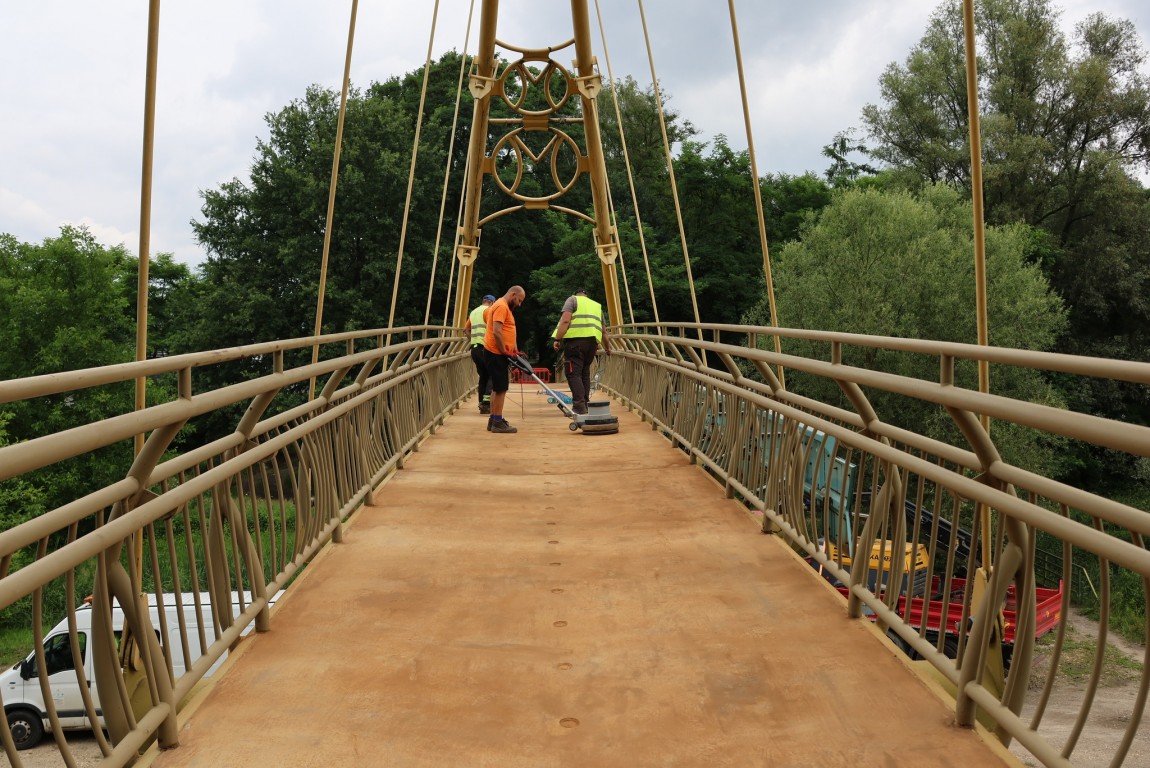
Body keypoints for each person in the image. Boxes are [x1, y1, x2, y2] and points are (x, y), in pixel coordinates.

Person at [551, 288, 610, 415]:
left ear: (576, 294)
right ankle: (585, 405)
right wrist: (607, 347)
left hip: (575, 344)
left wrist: (557, 339)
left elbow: (565, 320)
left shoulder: (572, 300)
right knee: (584, 374)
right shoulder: (596, 306)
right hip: (592, 345)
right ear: (586, 295)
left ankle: (579, 407)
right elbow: (604, 331)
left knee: (573, 374)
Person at [483, 285, 527, 433]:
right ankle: (497, 421)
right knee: (501, 388)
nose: (519, 304)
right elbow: (497, 331)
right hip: (496, 353)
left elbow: (508, 330)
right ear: (513, 295)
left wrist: (514, 349)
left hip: (497, 352)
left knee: (497, 387)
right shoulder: (501, 306)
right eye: (519, 300)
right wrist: (504, 351)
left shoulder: (504, 307)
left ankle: (493, 419)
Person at [464, 294, 497, 414]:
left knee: (483, 376)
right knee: (492, 374)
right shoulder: (488, 311)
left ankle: (481, 403)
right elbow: (493, 329)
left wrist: (473, 340)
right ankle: (486, 404)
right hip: (485, 348)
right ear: (492, 302)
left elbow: (466, 330)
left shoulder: (473, 312)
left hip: (475, 349)